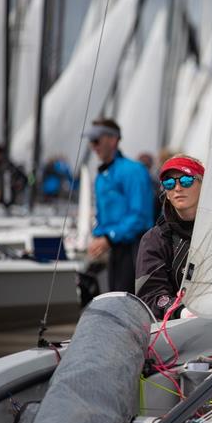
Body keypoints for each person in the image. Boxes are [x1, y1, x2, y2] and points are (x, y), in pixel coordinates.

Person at [87, 118, 154, 293]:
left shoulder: (134, 170)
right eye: (91, 141)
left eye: (96, 140)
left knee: (127, 300)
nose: (93, 146)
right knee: (111, 299)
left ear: (113, 140)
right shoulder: (102, 175)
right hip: (113, 248)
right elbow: (103, 215)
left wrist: (108, 238)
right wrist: (98, 237)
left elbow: (140, 215)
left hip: (134, 248)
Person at [135, 155, 204, 319]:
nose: (178, 188)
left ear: (204, 185)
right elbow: (150, 294)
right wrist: (181, 311)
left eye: (186, 180)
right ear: (165, 192)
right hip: (180, 328)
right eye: (169, 183)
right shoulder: (154, 240)